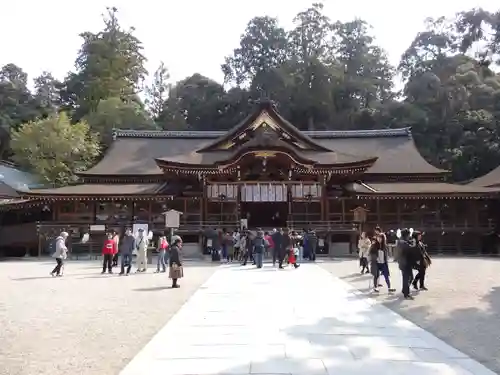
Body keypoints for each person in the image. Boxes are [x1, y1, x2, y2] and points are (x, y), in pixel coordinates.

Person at [397, 228, 418, 299]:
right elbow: (410, 248)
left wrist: (411, 241)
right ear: (406, 235)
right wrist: (414, 244)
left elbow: (409, 243)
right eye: (409, 235)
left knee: (409, 277)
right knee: (407, 278)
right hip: (404, 263)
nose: (409, 236)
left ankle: (404, 290)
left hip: (406, 263)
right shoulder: (402, 242)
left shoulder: (403, 240)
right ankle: (406, 293)